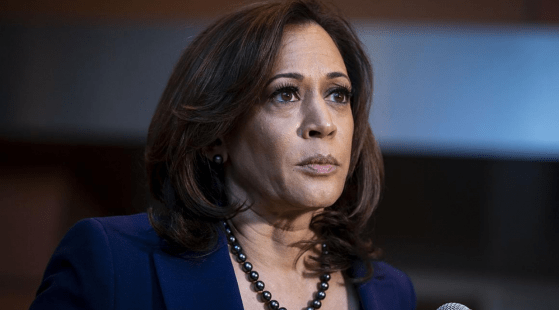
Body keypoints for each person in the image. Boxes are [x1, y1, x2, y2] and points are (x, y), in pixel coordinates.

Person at [29, 0, 416, 309]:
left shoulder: (389, 292)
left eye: (338, 94)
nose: (323, 123)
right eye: (285, 93)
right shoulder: (112, 262)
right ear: (217, 134)